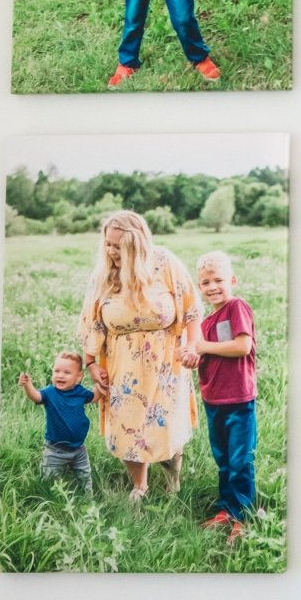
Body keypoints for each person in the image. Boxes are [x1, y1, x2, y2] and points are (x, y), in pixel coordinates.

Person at [79, 211, 203, 498]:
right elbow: (91, 322)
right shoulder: (103, 275)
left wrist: (192, 347)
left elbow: (192, 309)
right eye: (108, 244)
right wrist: (90, 364)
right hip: (122, 367)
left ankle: (173, 481)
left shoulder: (165, 262)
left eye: (118, 246)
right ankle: (140, 486)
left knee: (167, 426)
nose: (111, 251)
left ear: (137, 243)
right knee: (128, 428)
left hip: (166, 364)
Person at [186, 250, 257, 541]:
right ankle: (226, 510)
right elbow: (208, 355)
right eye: (205, 282)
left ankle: (243, 517)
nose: (212, 287)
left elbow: (241, 347)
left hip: (238, 399)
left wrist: (202, 347)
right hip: (213, 400)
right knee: (223, 459)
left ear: (232, 280)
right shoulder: (205, 323)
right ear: (199, 287)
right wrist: (192, 356)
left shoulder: (236, 307)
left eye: (218, 280)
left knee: (240, 460)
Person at [17, 351, 94, 495]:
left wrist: (104, 385)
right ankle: (50, 499)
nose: (60, 375)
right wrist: (28, 385)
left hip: (79, 449)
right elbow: (35, 396)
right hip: (55, 449)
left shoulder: (80, 392)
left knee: (85, 477)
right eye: (56, 371)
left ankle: (88, 499)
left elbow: (94, 396)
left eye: (66, 372)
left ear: (78, 377)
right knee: (49, 480)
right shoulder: (50, 392)